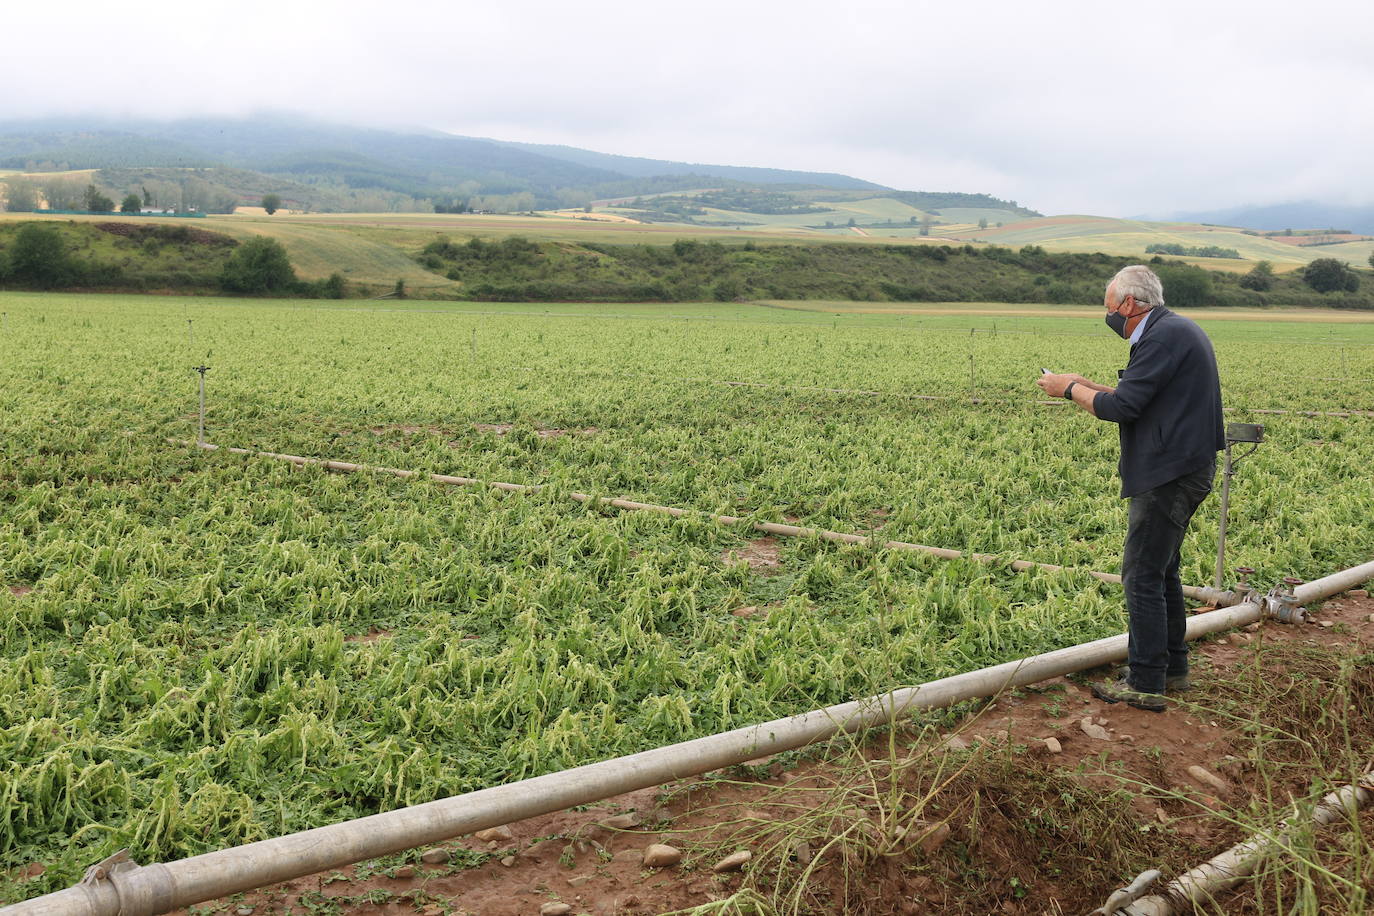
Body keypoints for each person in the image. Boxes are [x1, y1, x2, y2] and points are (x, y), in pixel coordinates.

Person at [1037, 265, 1224, 711]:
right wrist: (1083, 384)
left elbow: (1122, 407)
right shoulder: (1173, 331)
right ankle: (1172, 668)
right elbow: (1135, 393)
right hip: (1185, 466)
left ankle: (1144, 682)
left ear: (1128, 304)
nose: (1108, 317)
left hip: (1168, 473)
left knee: (1141, 573)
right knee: (1163, 571)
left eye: (1109, 307)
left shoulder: (1160, 337)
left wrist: (1068, 392)